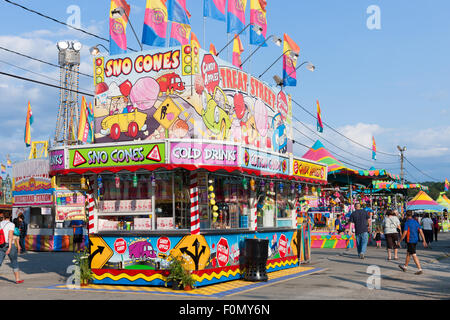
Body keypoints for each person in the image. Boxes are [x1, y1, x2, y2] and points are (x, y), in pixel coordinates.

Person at [399, 211, 427, 275]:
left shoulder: (407, 223)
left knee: (413, 254)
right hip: (415, 240)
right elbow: (421, 231)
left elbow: (405, 233)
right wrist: (424, 240)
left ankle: (420, 269)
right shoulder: (416, 222)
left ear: (406, 216)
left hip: (410, 240)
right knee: (408, 253)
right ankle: (405, 267)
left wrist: (400, 240)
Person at [0, 211, 24, 283]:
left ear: (3, 216)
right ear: (10, 216)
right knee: (14, 261)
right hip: (9, 244)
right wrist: (10, 247)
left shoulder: (0, 223)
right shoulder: (11, 224)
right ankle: (17, 279)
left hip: (1, 244)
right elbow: (10, 236)